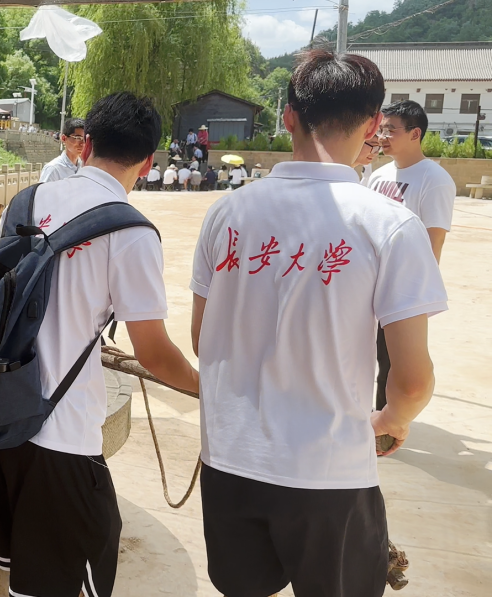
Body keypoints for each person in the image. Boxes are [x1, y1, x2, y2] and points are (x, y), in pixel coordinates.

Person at [191, 50, 445, 597]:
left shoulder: (227, 213)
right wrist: (394, 420)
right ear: (373, 126)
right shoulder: (391, 226)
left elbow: (202, 338)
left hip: (230, 459)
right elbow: (412, 381)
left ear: (288, 117)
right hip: (329, 472)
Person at [0, 91, 199, 597]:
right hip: (61, 434)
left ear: (87, 143)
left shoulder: (28, 201)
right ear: (148, 161)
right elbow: (153, 352)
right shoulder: (131, 231)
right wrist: (207, 387)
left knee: (28, 577)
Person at [366, 99, 455, 411]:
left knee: (392, 363)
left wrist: (418, 297)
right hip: (367, 282)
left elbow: (434, 242)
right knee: (361, 356)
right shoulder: (378, 176)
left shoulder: (435, 179)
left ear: (415, 134)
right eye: (381, 129)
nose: (382, 136)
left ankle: (385, 425)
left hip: (401, 289)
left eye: (391, 130)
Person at [40, 118, 85, 183]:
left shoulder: (84, 168)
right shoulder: (53, 169)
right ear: (64, 138)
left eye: (84, 139)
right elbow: (44, 190)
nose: (82, 143)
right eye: (78, 138)